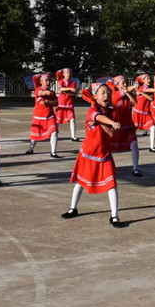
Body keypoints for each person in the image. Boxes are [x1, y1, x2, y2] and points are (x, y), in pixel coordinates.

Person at [61, 83, 124, 227]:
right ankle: (73, 208)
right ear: (95, 97)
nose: (106, 95)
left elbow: (110, 133)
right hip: (88, 154)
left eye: (108, 92)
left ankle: (114, 216)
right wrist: (109, 121)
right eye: (102, 93)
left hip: (104, 154)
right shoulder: (91, 111)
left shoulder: (112, 113)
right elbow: (98, 117)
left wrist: (107, 121)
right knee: (80, 183)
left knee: (111, 185)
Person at [108, 75, 143, 177]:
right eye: (122, 83)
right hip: (117, 126)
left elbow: (135, 102)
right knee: (110, 147)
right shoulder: (115, 94)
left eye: (126, 82)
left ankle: (135, 168)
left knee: (134, 144)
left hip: (129, 125)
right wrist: (135, 86)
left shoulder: (128, 93)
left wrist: (128, 93)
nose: (125, 84)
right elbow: (125, 91)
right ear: (117, 85)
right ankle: (106, 166)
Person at [133, 73, 155, 153]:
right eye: (147, 79)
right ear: (143, 81)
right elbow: (147, 91)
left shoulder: (147, 90)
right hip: (138, 113)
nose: (149, 80)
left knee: (153, 128)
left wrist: (144, 94)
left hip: (147, 113)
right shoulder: (142, 88)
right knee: (133, 131)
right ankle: (129, 145)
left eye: (150, 79)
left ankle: (152, 147)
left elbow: (151, 98)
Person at [26, 72, 60, 157]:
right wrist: (47, 94)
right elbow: (43, 93)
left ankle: (53, 152)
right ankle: (31, 148)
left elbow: (56, 103)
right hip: (39, 116)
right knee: (35, 135)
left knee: (54, 131)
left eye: (49, 80)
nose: (48, 82)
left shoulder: (52, 92)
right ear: (41, 82)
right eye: (46, 80)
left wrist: (48, 102)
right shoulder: (38, 90)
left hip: (49, 115)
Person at [55, 68, 79, 142]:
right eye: (66, 73)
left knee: (72, 119)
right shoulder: (61, 81)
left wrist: (68, 91)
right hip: (61, 103)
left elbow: (74, 93)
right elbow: (61, 89)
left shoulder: (73, 83)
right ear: (64, 74)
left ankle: (73, 136)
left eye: (69, 73)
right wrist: (70, 90)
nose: (68, 74)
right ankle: (54, 132)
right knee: (58, 120)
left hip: (69, 104)